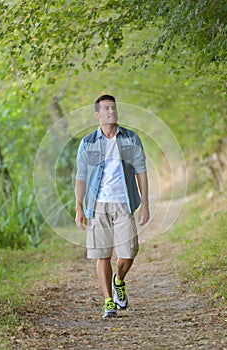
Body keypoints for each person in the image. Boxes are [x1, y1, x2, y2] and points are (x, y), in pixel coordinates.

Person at [75, 94, 150, 318]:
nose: (111, 111)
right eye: (106, 109)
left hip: (124, 203)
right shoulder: (88, 142)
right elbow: (81, 176)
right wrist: (79, 206)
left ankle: (119, 280)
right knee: (102, 254)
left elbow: (141, 171)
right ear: (97, 114)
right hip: (97, 205)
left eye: (113, 108)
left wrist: (145, 202)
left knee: (128, 253)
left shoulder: (130, 138)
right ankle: (108, 301)